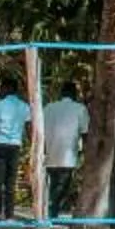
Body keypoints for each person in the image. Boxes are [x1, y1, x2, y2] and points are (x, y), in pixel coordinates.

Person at [38, 81, 88, 221]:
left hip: (49, 151)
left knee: (52, 183)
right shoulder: (80, 109)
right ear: (75, 94)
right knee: (62, 185)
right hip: (68, 154)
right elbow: (85, 132)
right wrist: (86, 151)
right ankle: (51, 211)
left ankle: (49, 209)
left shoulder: (48, 107)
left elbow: (39, 128)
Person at [0, 80, 27, 222]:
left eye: (2, 88)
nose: (0, 91)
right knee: (11, 182)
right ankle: (9, 215)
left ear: (8, 88)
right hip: (15, 145)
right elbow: (29, 126)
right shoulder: (24, 106)